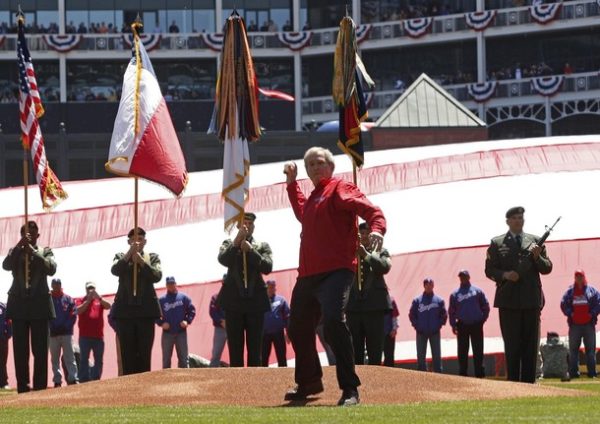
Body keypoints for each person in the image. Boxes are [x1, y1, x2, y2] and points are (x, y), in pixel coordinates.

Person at [283, 147, 386, 406]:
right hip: (308, 274)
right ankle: (309, 382)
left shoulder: (340, 187)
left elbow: (370, 210)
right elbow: (302, 212)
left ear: (330, 167)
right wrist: (292, 184)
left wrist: (377, 228)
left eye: (319, 163)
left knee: (333, 322)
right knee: (297, 327)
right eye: (311, 166)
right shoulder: (314, 199)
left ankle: (350, 389)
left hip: (337, 270)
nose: (315, 168)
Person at [485, 206, 553, 383]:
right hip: (508, 302)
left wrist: (538, 258)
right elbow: (489, 270)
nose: (518, 221)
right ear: (508, 221)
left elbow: (547, 268)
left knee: (530, 347)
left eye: (520, 218)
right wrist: (505, 275)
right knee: (512, 345)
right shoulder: (497, 243)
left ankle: (529, 383)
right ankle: (514, 384)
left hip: (531, 301)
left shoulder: (535, 241)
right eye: (514, 218)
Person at [2, 220, 56, 393]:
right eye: (26, 232)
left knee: (40, 350)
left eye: (33, 232)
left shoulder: (45, 251)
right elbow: (6, 265)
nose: (30, 234)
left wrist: (32, 251)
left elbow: (52, 268)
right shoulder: (15, 251)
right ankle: (23, 387)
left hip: (39, 306)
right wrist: (20, 246)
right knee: (20, 351)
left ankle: (40, 387)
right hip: (19, 306)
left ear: (38, 236)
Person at [217, 212, 272, 367]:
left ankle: (254, 387)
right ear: (238, 226)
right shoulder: (228, 243)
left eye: (249, 224)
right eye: (244, 224)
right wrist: (236, 243)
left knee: (255, 351)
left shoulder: (262, 246)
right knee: (235, 350)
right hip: (233, 303)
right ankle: (237, 387)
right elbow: (223, 260)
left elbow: (267, 267)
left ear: (254, 227)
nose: (246, 227)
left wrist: (251, 251)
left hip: (255, 303)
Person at [111, 227, 162, 375]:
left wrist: (141, 262)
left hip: (145, 312)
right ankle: (129, 392)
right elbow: (115, 270)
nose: (137, 242)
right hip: (125, 312)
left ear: (145, 241)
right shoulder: (121, 256)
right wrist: (129, 255)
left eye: (140, 239)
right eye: (133, 239)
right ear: (129, 242)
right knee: (128, 356)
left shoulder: (152, 257)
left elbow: (157, 275)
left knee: (144, 355)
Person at [346, 222, 393, 366]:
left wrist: (366, 255)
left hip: (374, 306)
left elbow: (385, 267)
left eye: (367, 233)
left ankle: (375, 383)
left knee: (375, 350)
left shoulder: (381, 251)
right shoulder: (348, 252)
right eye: (361, 233)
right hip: (353, 307)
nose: (364, 236)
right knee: (355, 351)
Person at [448, 270, 490, 378]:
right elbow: (451, 311)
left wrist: (482, 320)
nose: (463, 278)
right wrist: (453, 325)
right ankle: (463, 374)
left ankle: (480, 374)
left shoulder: (477, 291)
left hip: (476, 324)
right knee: (462, 350)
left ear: (469, 277)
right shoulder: (455, 294)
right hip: (462, 325)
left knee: (478, 350)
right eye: (461, 277)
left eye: (465, 276)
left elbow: (485, 306)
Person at [560, 269, 599, 378]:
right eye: (577, 276)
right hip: (575, 325)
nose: (579, 278)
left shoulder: (592, 291)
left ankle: (592, 373)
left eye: (580, 276)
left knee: (590, 351)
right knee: (573, 351)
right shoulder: (570, 292)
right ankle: (574, 373)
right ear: (574, 278)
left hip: (589, 325)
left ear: (584, 276)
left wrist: (592, 314)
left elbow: (598, 303)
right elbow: (563, 304)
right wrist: (570, 313)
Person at [409, 278, 448, 373]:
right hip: (421, 332)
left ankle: (439, 374)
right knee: (421, 355)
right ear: (424, 286)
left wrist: (439, 325)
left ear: (433, 285)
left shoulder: (439, 300)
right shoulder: (417, 301)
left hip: (435, 332)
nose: (429, 286)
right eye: (427, 284)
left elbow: (444, 315)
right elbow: (412, 315)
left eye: (430, 284)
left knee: (436, 355)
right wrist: (417, 326)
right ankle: (422, 375)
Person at [157, 276, 196, 369]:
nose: (171, 286)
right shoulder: (161, 300)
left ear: (175, 284)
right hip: (167, 334)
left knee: (183, 359)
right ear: (166, 285)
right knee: (166, 360)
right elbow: (155, 314)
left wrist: (187, 321)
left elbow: (192, 310)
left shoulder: (183, 298)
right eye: (169, 284)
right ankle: (166, 382)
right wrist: (161, 323)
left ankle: (185, 380)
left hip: (181, 332)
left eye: (172, 283)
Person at [75, 281, 111, 382]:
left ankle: (96, 378)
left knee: (99, 360)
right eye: (89, 288)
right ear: (85, 289)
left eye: (92, 288)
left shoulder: (99, 300)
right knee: (84, 359)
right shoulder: (80, 300)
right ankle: (83, 379)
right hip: (85, 336)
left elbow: (109, 306)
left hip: (98, 336)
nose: (91, 290)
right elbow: (78, 310)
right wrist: (88, 301)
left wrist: (99, 298)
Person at [49, 278, 78, 387]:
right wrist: (52, 327)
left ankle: (73, 378)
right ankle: (57, 380)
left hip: (66, 333)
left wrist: (66, 326)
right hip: (53, 334)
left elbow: (73, 314)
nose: (56, 286)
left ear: (60, 285)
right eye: (54, 284)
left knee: (70, 357)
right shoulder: (48, 299)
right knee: (55, 359)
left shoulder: (68, 299)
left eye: (58, 284)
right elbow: (46, 316)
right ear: (52, 285)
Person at [262, 280, 290, 367]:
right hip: (264, 334)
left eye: (273, 287)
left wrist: (288, 332)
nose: (272, 289)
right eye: (270, 287)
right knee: (263, 357)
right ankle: (262, 378)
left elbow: (287, 316)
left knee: (281, 357)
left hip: (278, 333)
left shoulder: (281, 300)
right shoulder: (260, 301)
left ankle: (284, 377)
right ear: (266, 288)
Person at [209, 276, 227, 367]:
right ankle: (212, 374)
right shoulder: (215, 297)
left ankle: (238, 375)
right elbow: (212, 312)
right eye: (224, 281)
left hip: (233, 328)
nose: (225, 283)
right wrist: (221, 321)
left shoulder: (236, 297)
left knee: (236, 352)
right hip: (220, 328)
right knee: (216, 352)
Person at [383, 297, 399, 367]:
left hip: (389, 332)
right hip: (378, 333)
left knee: (389, 355)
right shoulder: (374, 300)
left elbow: (394, 316)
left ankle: (390, 374)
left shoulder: (391, 301)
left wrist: (394, 329)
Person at [0, 301, 12, 389]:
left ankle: (4, 382)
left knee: (2, 361)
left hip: (2, 339)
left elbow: (9, 321)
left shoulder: (3, 307)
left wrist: (8, 334)